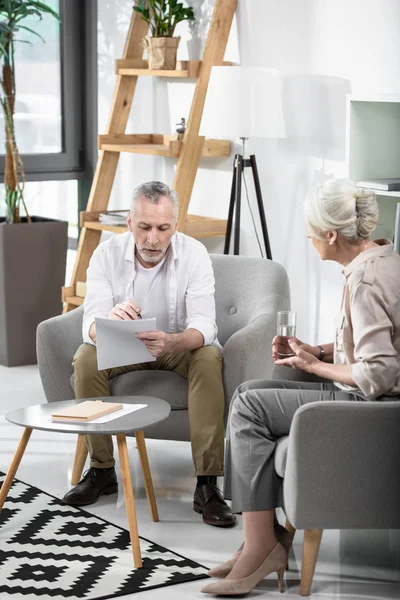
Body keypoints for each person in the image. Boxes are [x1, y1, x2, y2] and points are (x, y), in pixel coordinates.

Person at [201, 178, 400, 595]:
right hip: (364, 399)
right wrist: (319, 351)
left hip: (367, 409)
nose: (308, 238)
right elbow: (373, 345)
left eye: (311, 230)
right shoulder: (381, 260)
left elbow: (377, 374)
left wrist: (315, 366)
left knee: (248, 407)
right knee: (246, 393)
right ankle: (262, 538)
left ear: (331, 234)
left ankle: (262, 546)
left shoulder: (364, 281)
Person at [62, 181, 236, 529]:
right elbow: (89, 325)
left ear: (175, 225)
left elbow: (206, 324)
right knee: (84, 360)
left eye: (162, 228)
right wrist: (109, 321)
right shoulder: (106, 255)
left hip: (177, 346)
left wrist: (173, 342)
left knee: (208, 358)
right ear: (129, 223)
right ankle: (101, 470)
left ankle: (207, 484)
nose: (153, 239)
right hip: (122, 344)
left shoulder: (195, 254)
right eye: (144, 227)